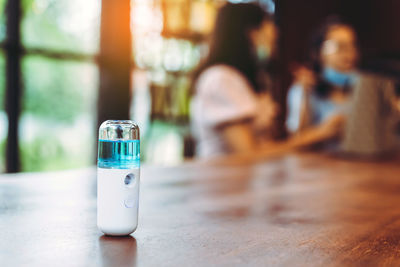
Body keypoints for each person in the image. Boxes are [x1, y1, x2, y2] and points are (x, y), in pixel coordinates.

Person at [190, 3, 279, 158]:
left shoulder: (244, 78)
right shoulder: (221, 78)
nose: (275, 33)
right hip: (224, 179)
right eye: (268, 25)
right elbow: (248, 154)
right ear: (251, 32)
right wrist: (315, 136)